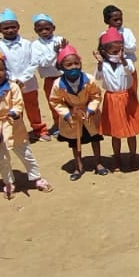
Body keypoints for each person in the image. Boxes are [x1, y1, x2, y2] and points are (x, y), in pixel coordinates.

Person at [0, 47, 51, 199]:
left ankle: (36, 178)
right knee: (1, 157)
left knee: (25, 153)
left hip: (13, 125)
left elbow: (18, 104)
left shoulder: (12, 87)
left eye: (1, 69)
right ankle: (8, 182)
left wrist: (14, 112)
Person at [51, 45, 108, 179]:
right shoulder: (58, 84)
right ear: (62, 67)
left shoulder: (89, 79)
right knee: (75, 142)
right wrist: (67, 112)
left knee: (95, 139)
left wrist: (90, 108)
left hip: (89, 115)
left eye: (76, 63)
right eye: (69, 64)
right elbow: (55, 101)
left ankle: (98, 163)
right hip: (72, 117)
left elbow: (96, 95)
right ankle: (78, 166)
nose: (73, 67)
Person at [96, 28, 139, 172]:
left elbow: (129, 70)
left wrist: (123, 60)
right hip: (111, 99)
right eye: (113, 51)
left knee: (131, 130)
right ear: (105, 51)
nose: (117, 54)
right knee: (115, 132)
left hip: (126, 98)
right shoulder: (104, 65)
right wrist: (100, 64)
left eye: (119, 50)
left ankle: (132, 156)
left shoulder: (127, 62)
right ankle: (117, 158)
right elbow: (98, 77)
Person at [0, 8, 47, 143]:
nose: (10, 30)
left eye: (13, 27)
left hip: (29, 83)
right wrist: (13, 80)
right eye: (6, 28)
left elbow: (33, 62)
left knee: (33, 107)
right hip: (10, 84)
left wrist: (23, 78)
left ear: (18, 27)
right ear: (0, 29)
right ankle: (19, 132)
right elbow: (1, 65)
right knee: (15, 109)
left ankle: (39, 130)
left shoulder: (27, 44)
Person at [32, 13, 67, 136]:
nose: (44, 32)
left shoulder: (59, 40)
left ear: (53, 28)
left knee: (68, 100)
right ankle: (58, 125)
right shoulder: (35, 46)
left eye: (47, 28)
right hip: (50, 79)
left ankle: (71, 123)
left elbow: (67, 56)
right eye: (40, 29)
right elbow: (42, 63)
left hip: (64, 77)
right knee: (54, 102)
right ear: (36, 30)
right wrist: (55, 52)